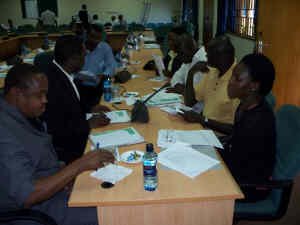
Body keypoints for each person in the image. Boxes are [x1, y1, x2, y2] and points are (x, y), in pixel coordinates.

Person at [0, 63, 114, 225]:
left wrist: (65, 173)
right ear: (16, 93)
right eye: (39, 95)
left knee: (117, 192)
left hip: (56, 189)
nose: (45, 100)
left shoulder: (20, 115)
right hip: (40, 209)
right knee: (115, 211)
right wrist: (79, 165)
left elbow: (41, 159)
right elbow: (28, 195)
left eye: (45, 94)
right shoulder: (4, 134)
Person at [41, 35, 110, 164]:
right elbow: (56, 129)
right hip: (70, 147)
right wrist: (87, 124)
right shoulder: (52, 84)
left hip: (79, 131)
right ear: (73, 59)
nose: (85, 59)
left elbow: (73, 104)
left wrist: (90, 108)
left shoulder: (65, 73)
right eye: (84, 56)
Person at [220, 53, 276, 202]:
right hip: (237, 172)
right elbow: (236, 139)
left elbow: (238, 163)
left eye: (237, 79)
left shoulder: (258, 122)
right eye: (232, 75)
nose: (230, 82)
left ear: (253, 86)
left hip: (249, 187)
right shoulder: (245, 104)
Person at [180, 36, 239, 134]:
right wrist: (191, 73)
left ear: (221, 57)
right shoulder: (212, 72)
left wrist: (203, 120)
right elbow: (189, 102)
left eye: (209, 54)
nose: (206, 57)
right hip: (204, 131)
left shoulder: (238, 82)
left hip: (221, 139)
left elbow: (236, 129)